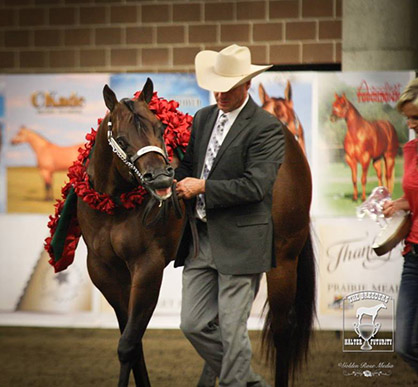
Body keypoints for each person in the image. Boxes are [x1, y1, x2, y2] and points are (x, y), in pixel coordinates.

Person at [174, 44, 285, 386]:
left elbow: (255, 188)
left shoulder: (267, 127)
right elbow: (191, 167)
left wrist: (202, 186)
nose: (220, 93)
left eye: (229, 87)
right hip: (200, 239)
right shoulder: (203, 117)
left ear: (247, 85)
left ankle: (238, 383)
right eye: (216, 86)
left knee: (233, 329)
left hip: (242, 241)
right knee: (191, 324)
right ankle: (249, 381)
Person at [383, 77, 418, 374]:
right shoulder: (411, 149)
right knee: (404, 345)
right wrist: (397, 204)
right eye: (408, 118)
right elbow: (413, 196)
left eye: (416, 117)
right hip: (414, 256)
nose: (411, 124)